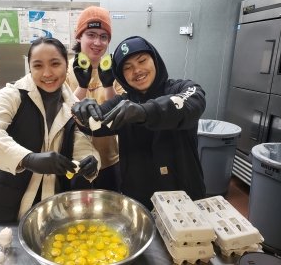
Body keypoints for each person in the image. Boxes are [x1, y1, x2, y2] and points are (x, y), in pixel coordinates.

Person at [0, 37, 101, 223]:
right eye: (38, 66)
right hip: (2, 202)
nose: (47, 73)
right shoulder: (13, 95)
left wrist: (90, 161)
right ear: (30, 68)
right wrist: (28, 159)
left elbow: (80, 141)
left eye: (55, 64)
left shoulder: (72, 105)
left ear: (66, 67)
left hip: (48, 204)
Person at [71, 36, 206, 210]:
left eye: (142, 61)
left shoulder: (183, 88)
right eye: (127, 68)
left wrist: (143, 112)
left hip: (186, 196)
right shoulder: (121, 103)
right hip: (139, 201)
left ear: (155, 60)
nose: (137, 70)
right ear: (121, 75)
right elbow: (94, 122)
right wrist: (83, 110)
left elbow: (192, 104)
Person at [66, 6, 124, 192]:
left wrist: (108, 86)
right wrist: (82, 87)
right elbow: (61, 116)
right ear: (79, 36)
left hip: (109, 160)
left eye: (103, 36)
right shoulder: (64, 70)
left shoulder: (116, 71)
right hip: (74, 161)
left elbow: (121, 113)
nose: (98, 42)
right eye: (91, 34)